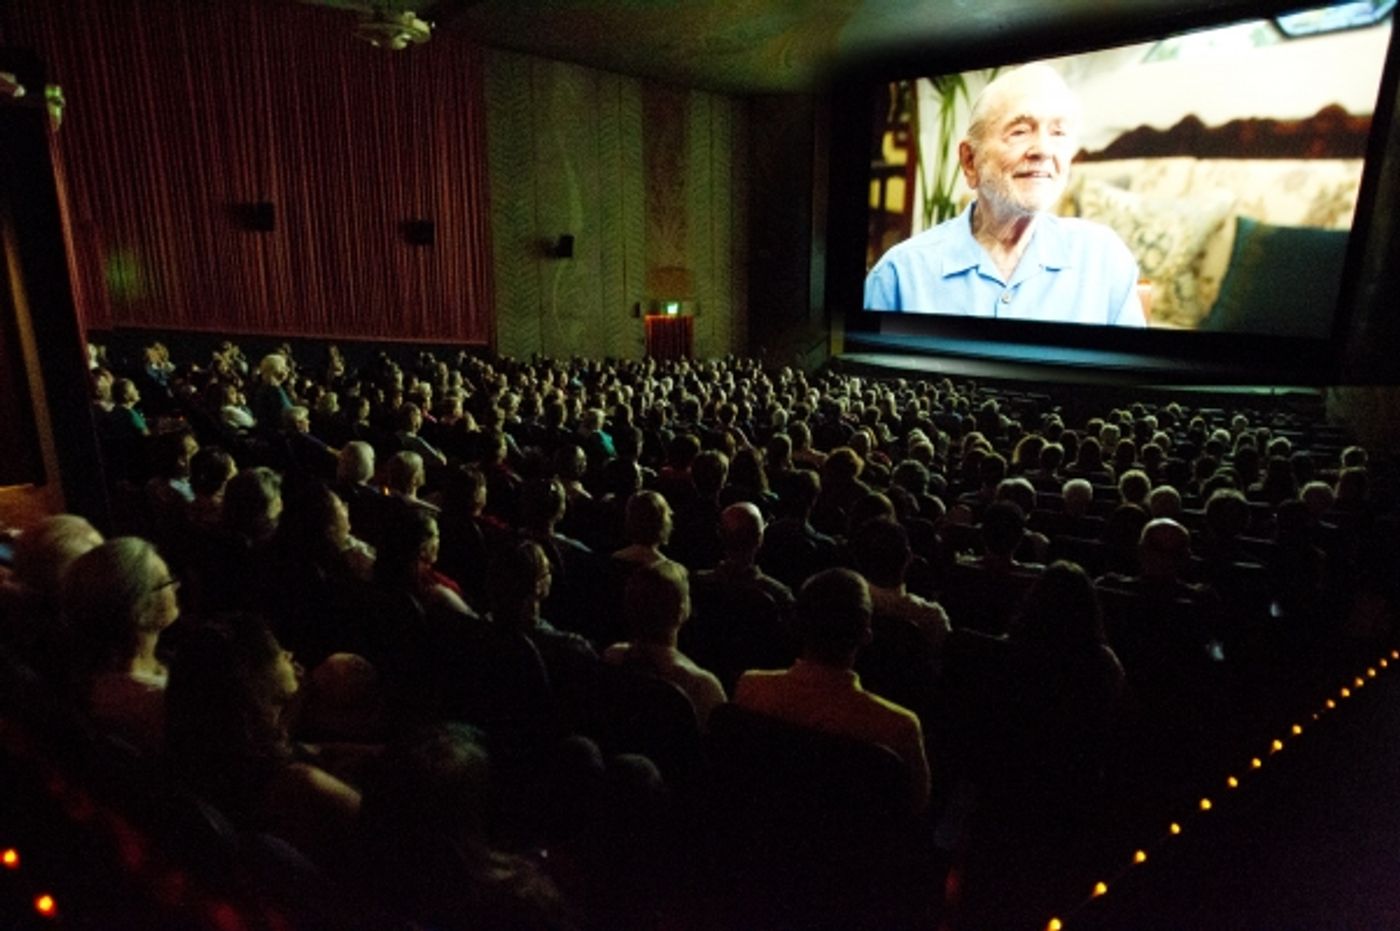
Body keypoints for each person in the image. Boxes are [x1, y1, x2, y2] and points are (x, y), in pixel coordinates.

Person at [863, 63, 1145, 327]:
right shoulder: (899, 276)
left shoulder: (1105, 261)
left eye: (1058, 132)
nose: (1043, 150)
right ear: (970, 161)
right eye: (1020, 131)